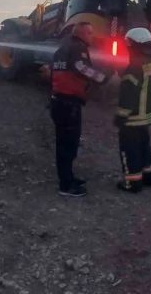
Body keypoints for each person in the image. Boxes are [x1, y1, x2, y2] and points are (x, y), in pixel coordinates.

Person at [50, 21, 108, 197]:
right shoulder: (78, 48)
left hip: (59, 101)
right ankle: (66, 186)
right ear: (82, 34)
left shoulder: (63, 48)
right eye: (89, 33)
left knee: (64, 143)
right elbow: (81, 68)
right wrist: (102, 78)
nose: (92, 36)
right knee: (69, 144)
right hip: (69, 104)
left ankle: (68, 178)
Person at [113, 27, 151, 194]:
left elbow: (128, 95)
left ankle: (132, 183)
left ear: (134, 45)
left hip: (132, 117)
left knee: (129, 149)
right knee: (143, 146)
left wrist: (121, 116)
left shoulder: (134, 66)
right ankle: (150, 176)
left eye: (129, 46)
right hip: (146, 115)